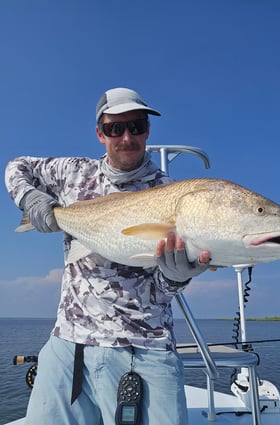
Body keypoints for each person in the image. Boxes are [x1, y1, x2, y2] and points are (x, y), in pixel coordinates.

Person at [5, 87, 211, 425]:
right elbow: (17, 166)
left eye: (137, 125)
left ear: (148, 130)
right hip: (69, 341)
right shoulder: (73, 173)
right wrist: (30, 199)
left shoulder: (169, 194)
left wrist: (175, 277)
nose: (127, 137)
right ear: (100, 134)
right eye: (115, 128)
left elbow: (159, 294)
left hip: (145, 345)